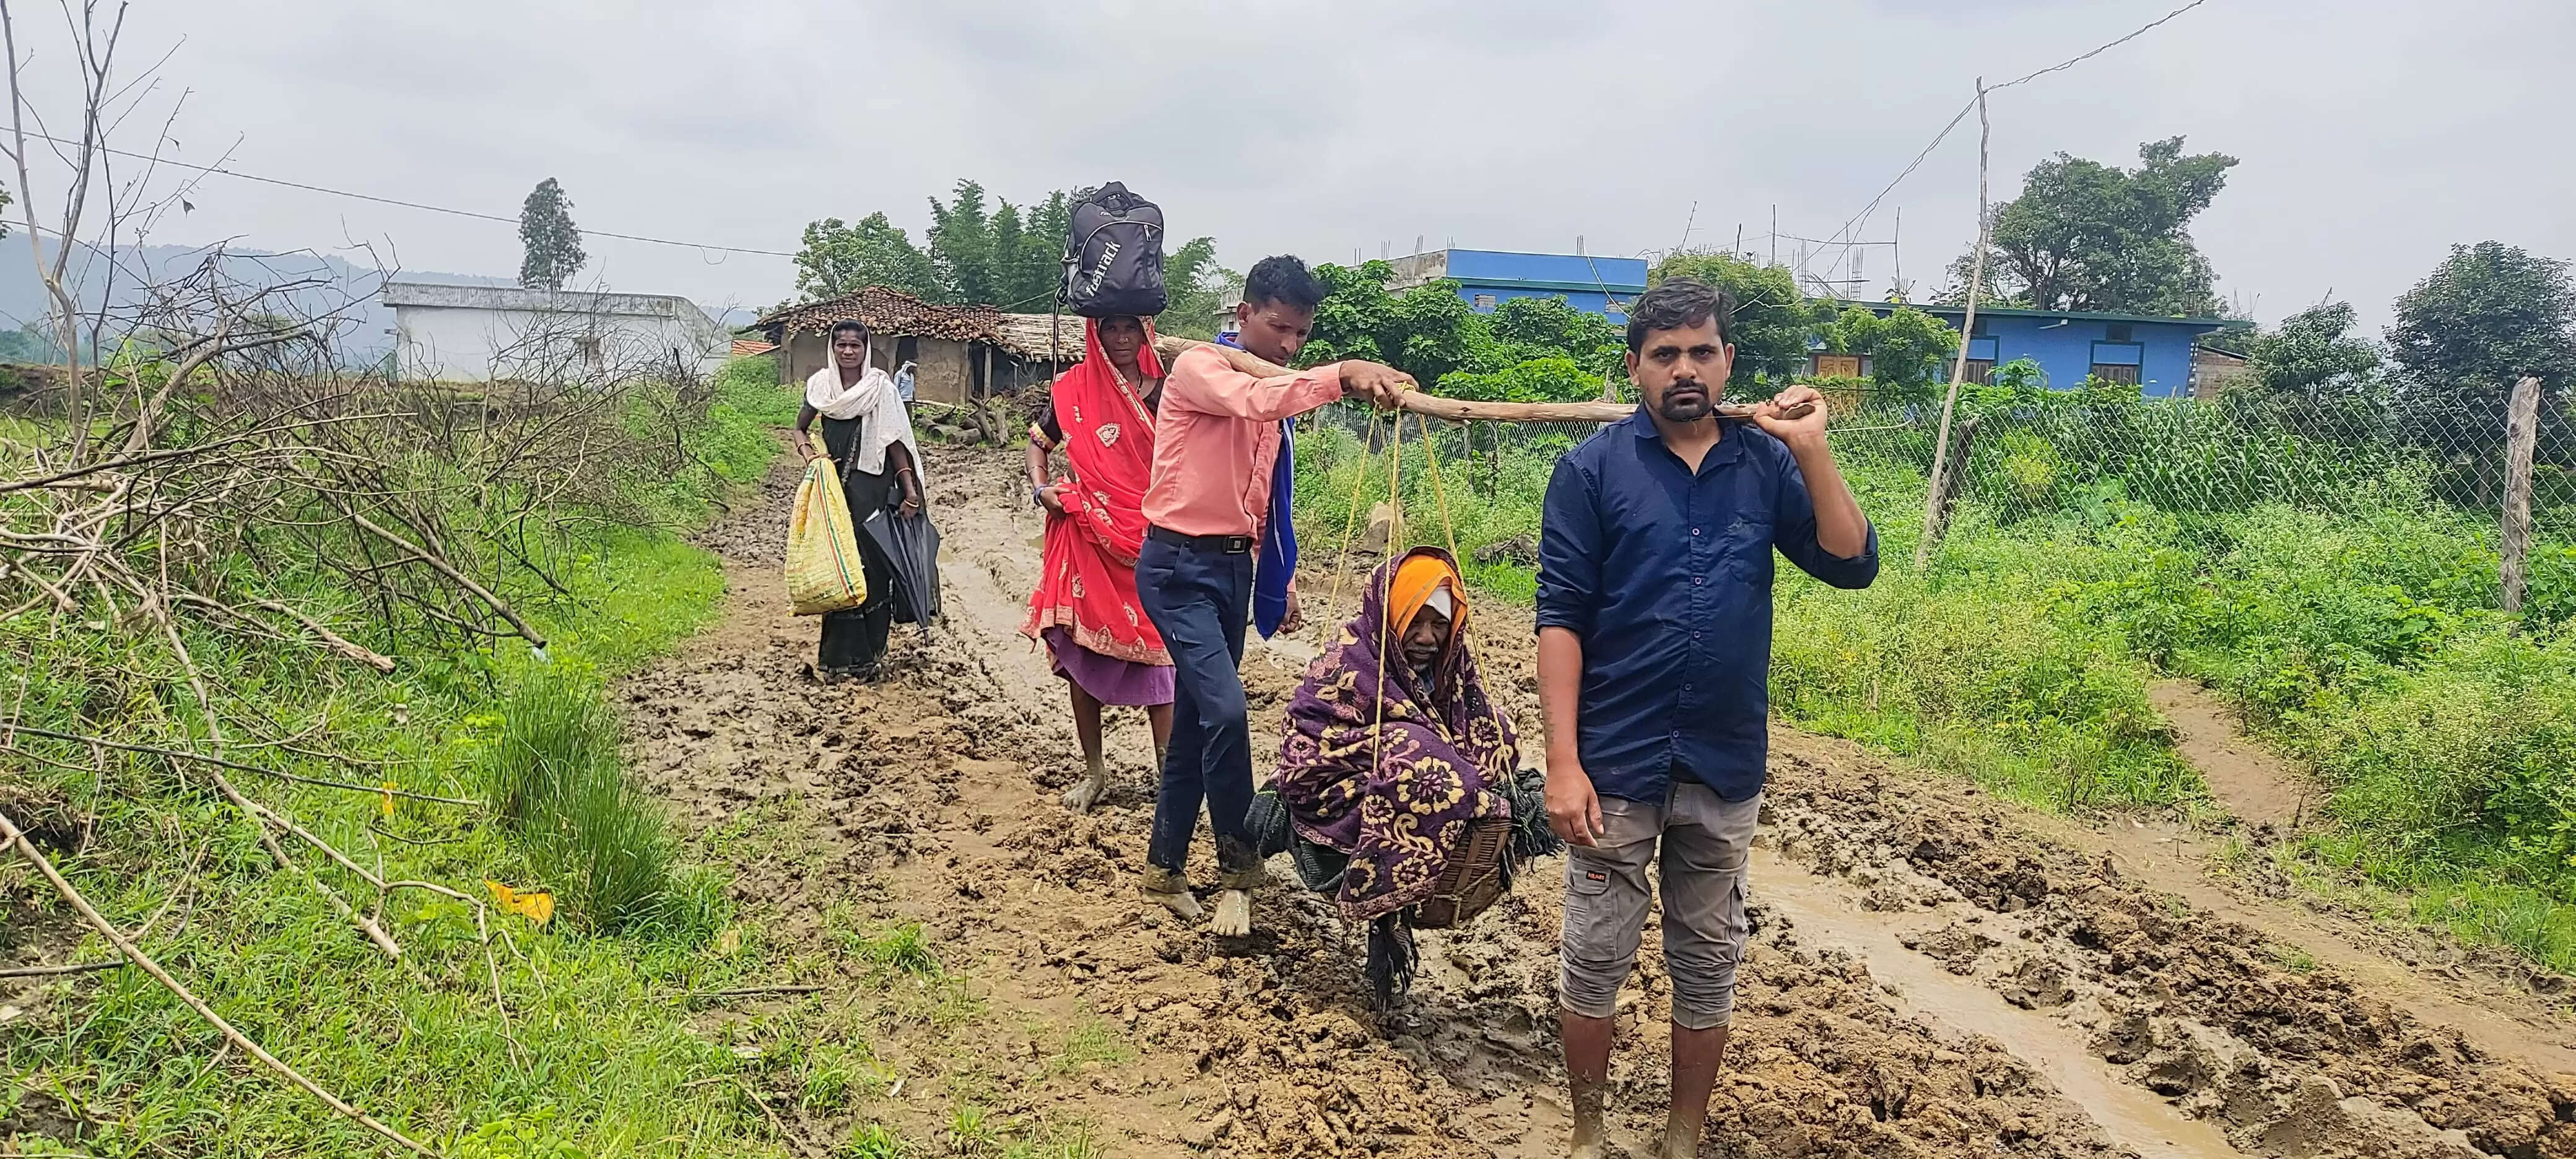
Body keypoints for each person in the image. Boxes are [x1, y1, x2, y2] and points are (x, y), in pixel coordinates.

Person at [1535, 277, 1877, 1159]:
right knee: (1595, 955)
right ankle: (1586, 1132)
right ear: (1636, 367)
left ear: (1727, 361)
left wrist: (1810, 448)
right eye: (1664, 355)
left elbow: (1851, 563)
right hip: (1616, 761)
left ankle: (1683, 1139)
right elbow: (1562, 619)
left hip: (1724, 762)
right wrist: (1563, 764)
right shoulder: (1591, 470)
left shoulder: (1764, 464)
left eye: (1701, 352)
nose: (1684, 370)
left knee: (1708, 962)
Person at [1136, 254, 1413, 935]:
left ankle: (1163, 867)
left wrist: (1276, 576)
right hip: (1175, 566)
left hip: (1230, 567)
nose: (1289, 346)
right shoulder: (1200, 367)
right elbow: (1259, 397)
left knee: (1200, 723)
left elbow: (1262, 496)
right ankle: (1240, 862)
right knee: (1227, 713)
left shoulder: (1275, 389)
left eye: (1300, 335)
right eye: (1278, 328)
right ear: (1244, 315)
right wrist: (1341, 375)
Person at [1268, 546, 1554, 1006]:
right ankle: (1380, 899)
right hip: (1342, 783)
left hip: (1418, 775)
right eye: (1413, 623)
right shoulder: (1349, 664)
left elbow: (1479, 725)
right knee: (1415, 753)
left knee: (1498, 733)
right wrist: (1422, 751)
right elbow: (1315, 740)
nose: (1426, 638)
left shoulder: (1450, 666)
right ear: (1389, 616)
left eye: (1439, 625)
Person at [1022, 314, 1175, 812]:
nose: (1123, 338)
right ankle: (1094, 773)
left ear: (1146, 332)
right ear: (1096, 334)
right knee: (1083, 658)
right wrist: (1042, 488)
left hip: (1151, 544)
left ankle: (1170, 783)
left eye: (1133, 327)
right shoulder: (1072, 390)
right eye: (1112, 328)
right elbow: (1038, 444)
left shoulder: (1167, 392)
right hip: (1087, 538)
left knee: (1162, 670)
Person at [791, 319, 924, 683]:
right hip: (836, 494)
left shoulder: (879, 388)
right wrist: (811, 457)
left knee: (874, 568)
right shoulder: (820, 387)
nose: (848, 351)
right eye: (841, 345)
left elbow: (895, 441)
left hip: (874, 491)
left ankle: (870, 656)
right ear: (832, 349)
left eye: (855, 346)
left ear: (866, 350)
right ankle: (837, 658)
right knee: (840, 567)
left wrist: (909, 490)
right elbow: (800, 427)